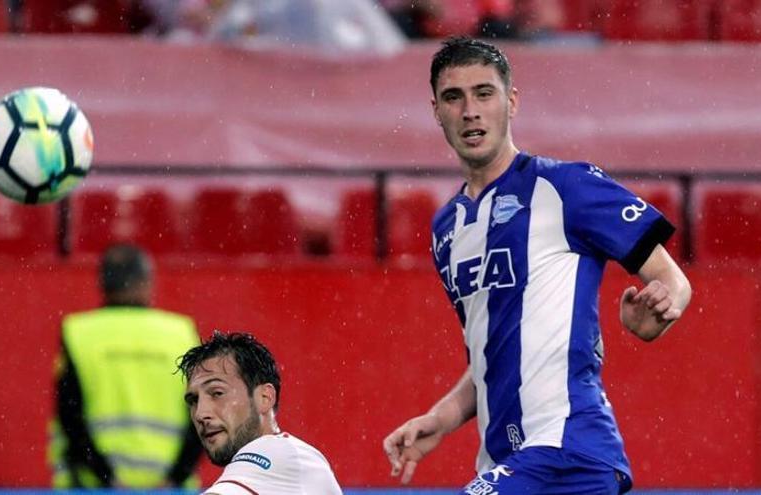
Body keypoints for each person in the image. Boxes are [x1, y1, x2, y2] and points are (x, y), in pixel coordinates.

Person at [382, 37, 692, 494]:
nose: (470, 110)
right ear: (437, 111)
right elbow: (492, 350)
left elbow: (671, 278)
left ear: (511, 102)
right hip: (508, 461)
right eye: (454, 97)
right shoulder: (446, 228)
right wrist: (441, 419)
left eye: (484, 94)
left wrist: (664, 306)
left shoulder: (566, 186)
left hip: (566, 447)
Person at [49, 244, 203, 488]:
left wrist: (109, 480)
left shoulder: (78, 333)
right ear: (147, 282)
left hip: (92, 488)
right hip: (170, 490)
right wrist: (173, 479)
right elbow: (204, 416)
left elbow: (70, 418)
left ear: (102, 285)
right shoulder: (181, 334)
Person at [178, 331, 343, 494]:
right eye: (194, 401)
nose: (200, 413)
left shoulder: (280, 456)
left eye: (217, 393)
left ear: (265, 397)